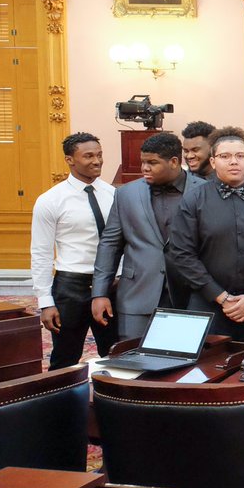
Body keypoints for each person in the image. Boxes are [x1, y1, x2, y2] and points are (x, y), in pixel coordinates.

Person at [168, 127, 244, 342]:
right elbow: (182, 254)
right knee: (205, 364)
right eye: (225, 156)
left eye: (240, 156)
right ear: (212, 162)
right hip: (207, 305)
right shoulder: (193, 201)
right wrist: (221, 297)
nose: (233, 162)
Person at [93, 132, 205, 340]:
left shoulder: (204, 190)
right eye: (143, 162)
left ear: (174, 162)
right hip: (137, 295)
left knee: (187, 357)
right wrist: (100, 292)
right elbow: (110, 245)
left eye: (152, 163)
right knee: (132, 356)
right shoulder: (126, 193)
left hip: (192, 295)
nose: (144, 168)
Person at [31, 132, 119, 369]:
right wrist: (45, 302)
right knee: (65, 358)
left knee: (116, 354)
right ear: (69, 159)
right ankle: (61, 395)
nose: (97, 161)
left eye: (99, 155)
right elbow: (41, 253)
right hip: (71, 287)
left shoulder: (114, 195)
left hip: (111, 284)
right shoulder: (50, 200)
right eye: (88, 156)